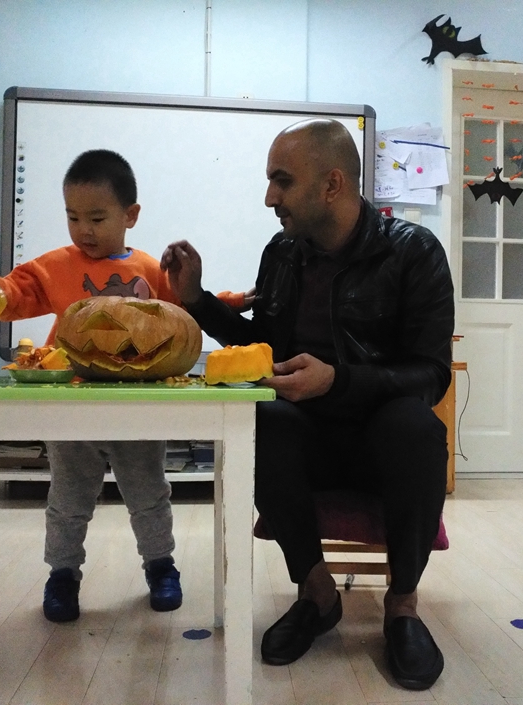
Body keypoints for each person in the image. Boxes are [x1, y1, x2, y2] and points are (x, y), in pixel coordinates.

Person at [160, 119, 454, 690]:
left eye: (282, 181)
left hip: (381, 444)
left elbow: (430, 375)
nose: (270, 198)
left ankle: (402, 606)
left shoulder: (414, 252)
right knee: (262, 417)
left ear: (332, 184)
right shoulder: (283, 252)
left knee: (415, 426)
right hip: (306, 441)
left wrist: (337, 381)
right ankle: (317, 595)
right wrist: (195, 299)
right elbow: (261, 347)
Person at [0, 149, 184, 622]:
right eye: (73, 217)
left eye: (97, 218)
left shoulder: (150, 271)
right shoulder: (56, 266)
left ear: (130, 215)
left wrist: (233, 300)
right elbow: (13, 292)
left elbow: (185, 311)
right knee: (68, 498)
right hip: (72, 404)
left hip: (135, 406)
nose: (83, 229)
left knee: (149, 493)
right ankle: (62, 575)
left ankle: (161, 567)